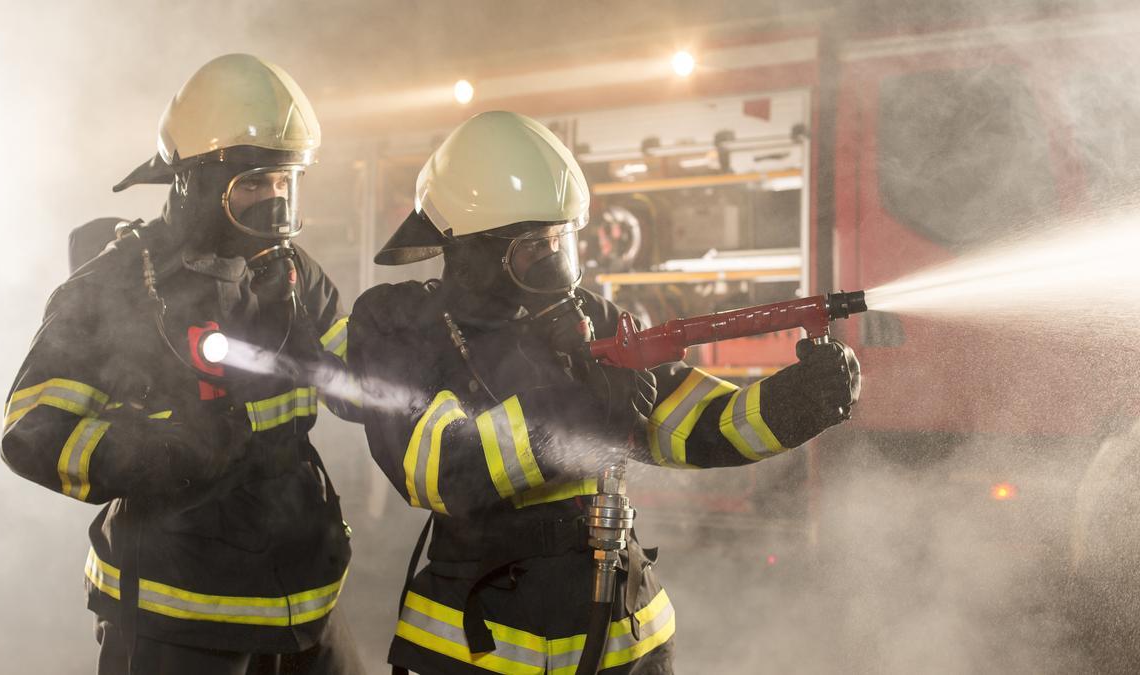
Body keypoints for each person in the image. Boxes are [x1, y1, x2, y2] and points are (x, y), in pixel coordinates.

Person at [348, 110, 862, 674]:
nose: (555, 266)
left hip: (624, 640)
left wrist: (793, 404)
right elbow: (432, 468)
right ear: (469, 248)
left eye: (560, 239)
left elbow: (687, 423)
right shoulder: (403, 326)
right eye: (532, 248)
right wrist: (568, 412)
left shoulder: (591, 317)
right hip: (477, 645)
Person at [1, 53, 364, 675]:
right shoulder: (116, 285)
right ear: (191, 182)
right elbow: (32, 431)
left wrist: (413, 354)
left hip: (301, 599)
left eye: (285, 183)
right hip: (177, 614)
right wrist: (149, 452)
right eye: (253, 185)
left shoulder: (294, 274)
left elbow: (360, 380)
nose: (274, 204)